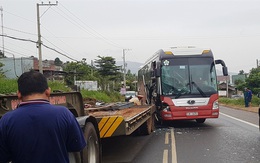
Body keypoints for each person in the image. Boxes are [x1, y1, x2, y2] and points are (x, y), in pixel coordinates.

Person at [0, 71, 86, 163]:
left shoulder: (6, 120)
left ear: (19, 94)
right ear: (48, 91)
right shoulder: (64, 114)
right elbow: (77, 146)